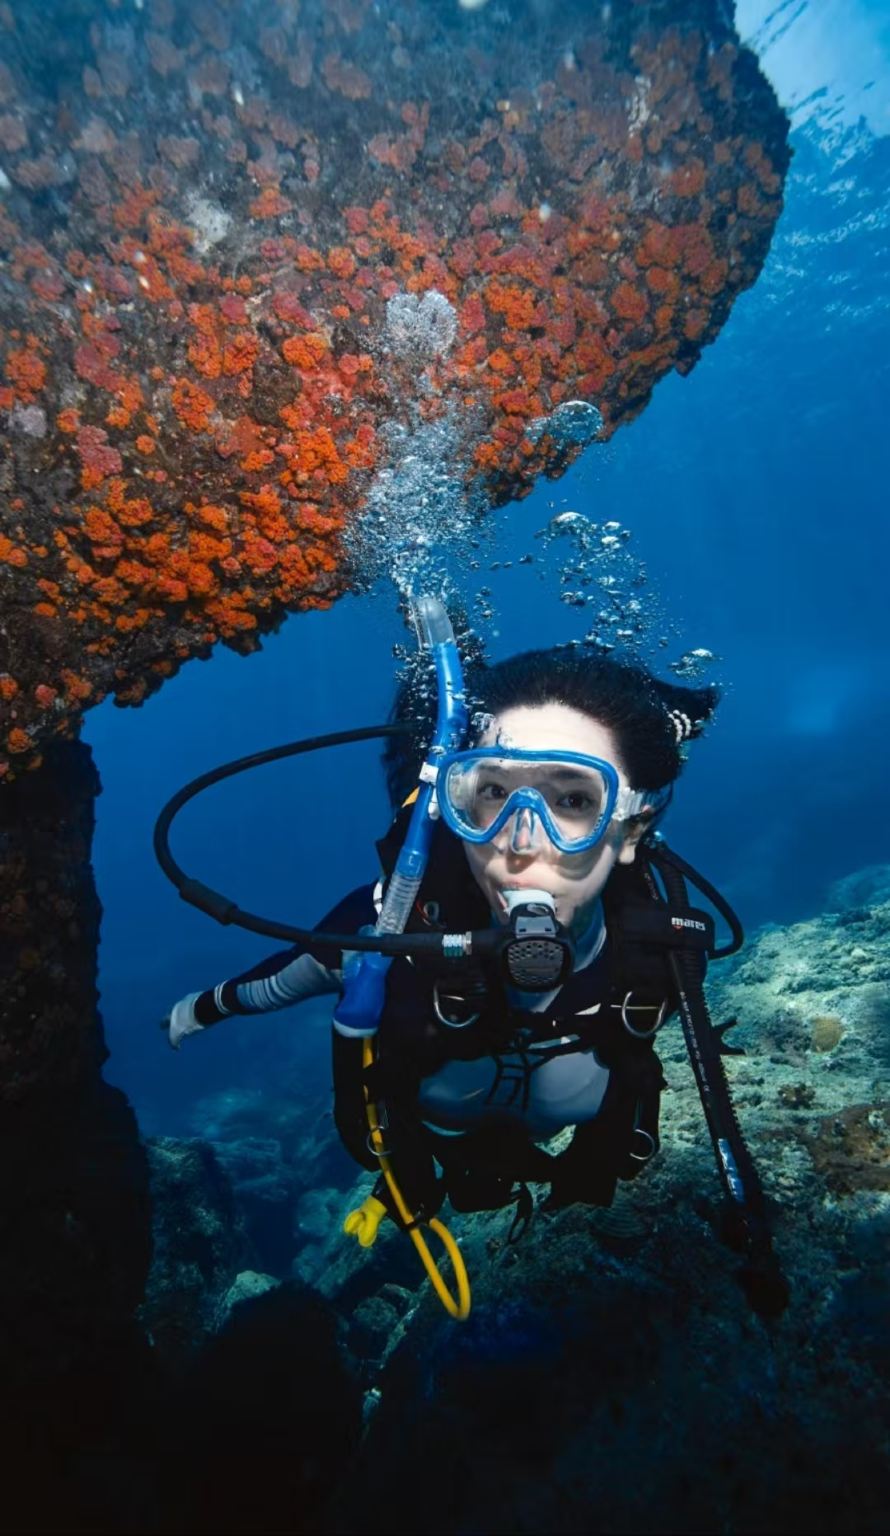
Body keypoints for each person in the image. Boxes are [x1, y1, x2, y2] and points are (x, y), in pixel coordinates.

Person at [165, 644, 720, 1241]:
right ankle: (438, 661)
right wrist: (203, 1009)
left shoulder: (662, 957)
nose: (522, 842)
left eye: (575, 800)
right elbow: (279, 982)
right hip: (432, 1140)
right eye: (493, 793)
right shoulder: (392, 935)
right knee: (415, 765)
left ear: (632, 829)